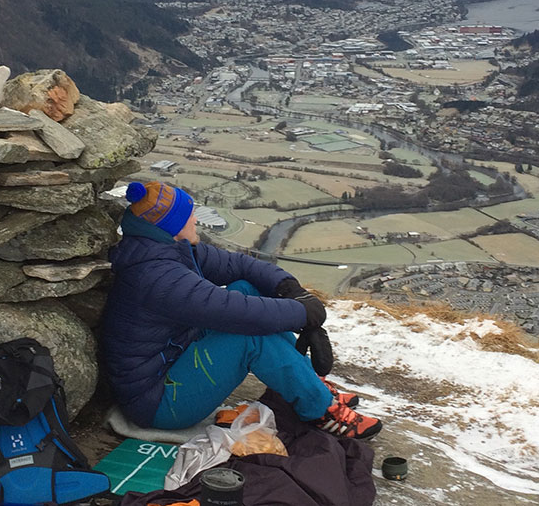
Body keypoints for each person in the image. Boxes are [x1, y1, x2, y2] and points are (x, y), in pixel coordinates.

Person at [101, 181, 382, 440]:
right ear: (171, 225)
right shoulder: (158, 276)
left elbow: (239, 266)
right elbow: (236, 312)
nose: (196, 219)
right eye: (189, 215)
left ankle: (309, 383)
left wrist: (290, 289)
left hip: (175, 359)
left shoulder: (165, 249)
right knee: (249, 336)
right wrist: (303, 314)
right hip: (159, 403)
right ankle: (321, 410)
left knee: (245, 286)